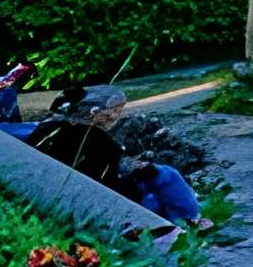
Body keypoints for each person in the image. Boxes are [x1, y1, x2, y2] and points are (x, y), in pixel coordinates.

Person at [32, 86, 206, 228]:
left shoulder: (46, 130)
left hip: (69, 190)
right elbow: (122, 165)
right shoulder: (95, 137)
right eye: (110, 112)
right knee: (167, 176)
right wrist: (145, 169)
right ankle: (192, 220)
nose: (114, 115)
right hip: (103, 197)